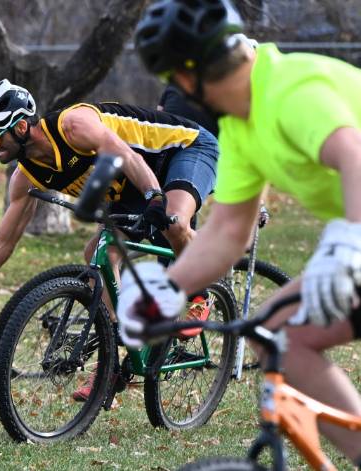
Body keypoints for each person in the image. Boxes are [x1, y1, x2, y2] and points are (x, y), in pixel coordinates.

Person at [116, 0, 361, 464]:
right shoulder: (239, 124)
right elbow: (229, 229)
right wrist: (170, 288)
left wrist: (349, 242)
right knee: (277, 334)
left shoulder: (290, 89)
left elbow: (355, 154)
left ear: (185, 80)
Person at [0, 78, 218, 344]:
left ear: (20, 127)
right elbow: (2, 242)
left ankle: (200, 294)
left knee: (175, 222)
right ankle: (112, 354)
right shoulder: (26, 175)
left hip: (183, 149)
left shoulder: (73, 125)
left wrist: (155, 197)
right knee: (99, 254)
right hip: (130, 184)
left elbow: (128, 155)